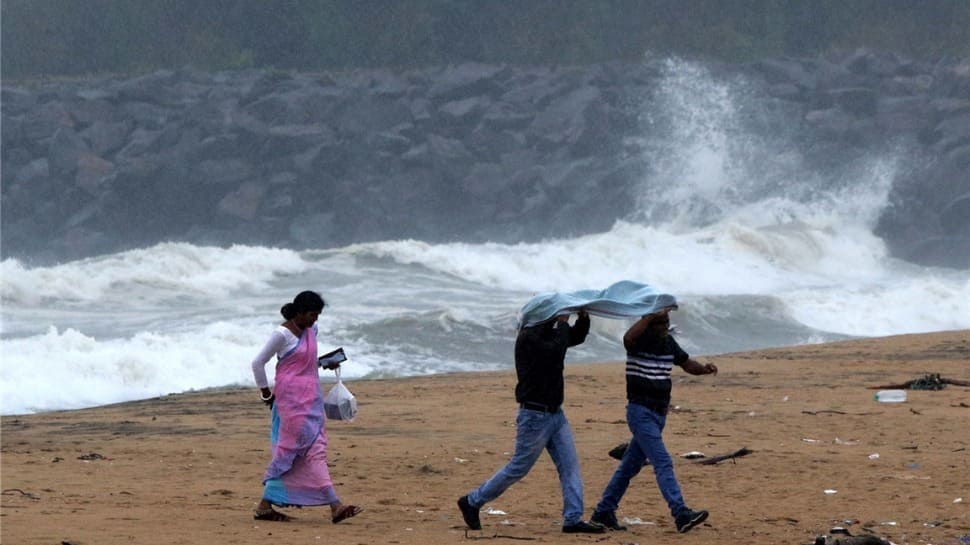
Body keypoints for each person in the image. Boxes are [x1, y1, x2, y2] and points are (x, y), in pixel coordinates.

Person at [457, 311, 605, 534]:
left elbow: (573, 338)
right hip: (535, 416)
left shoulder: (546, 333)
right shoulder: (529, 338)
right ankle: (472, 501)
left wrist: (583, 318)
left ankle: (573, 518)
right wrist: (563, 323)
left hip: (555, 414)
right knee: (518, 467)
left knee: (570, 466)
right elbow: (556, 349)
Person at [589, 308, 717, 534]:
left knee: (629, 467)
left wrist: (705, 370)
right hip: (640, 412)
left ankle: (603, 512)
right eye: (659, 323)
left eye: (666, 323)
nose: (664, 327)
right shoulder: (638, 342)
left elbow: (687, 364)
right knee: (663, 462)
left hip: (659, 414)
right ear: (648, 324)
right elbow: (627, 338)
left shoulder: (668, 343)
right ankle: (680, 513)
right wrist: (648, 316)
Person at [250, 290, 363, 524]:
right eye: (312, 314)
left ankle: (265, 507)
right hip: (290, 405)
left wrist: (326, 363)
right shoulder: (282, 334)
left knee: (308, 451)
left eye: (318, 315)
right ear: (299, 312)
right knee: (296, 452)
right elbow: (258, 362)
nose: (315, 320)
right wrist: (265, 393)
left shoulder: (312, 330)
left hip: (311, 401)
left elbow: (306, 360)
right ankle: (335, 506)